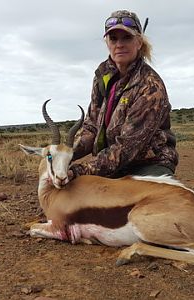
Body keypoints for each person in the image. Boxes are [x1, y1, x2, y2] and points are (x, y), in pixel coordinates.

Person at [68, 10, 178, 180]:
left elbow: (127, 147)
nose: (119, 44)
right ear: (107, 43)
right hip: (112, 163)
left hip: (147, 165)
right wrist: (65, 154)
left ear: (139, 42)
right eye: (113, 39)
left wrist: (79, 170)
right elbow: (91, 127)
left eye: (127, 38)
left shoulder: (150, 86)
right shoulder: (102, 75)